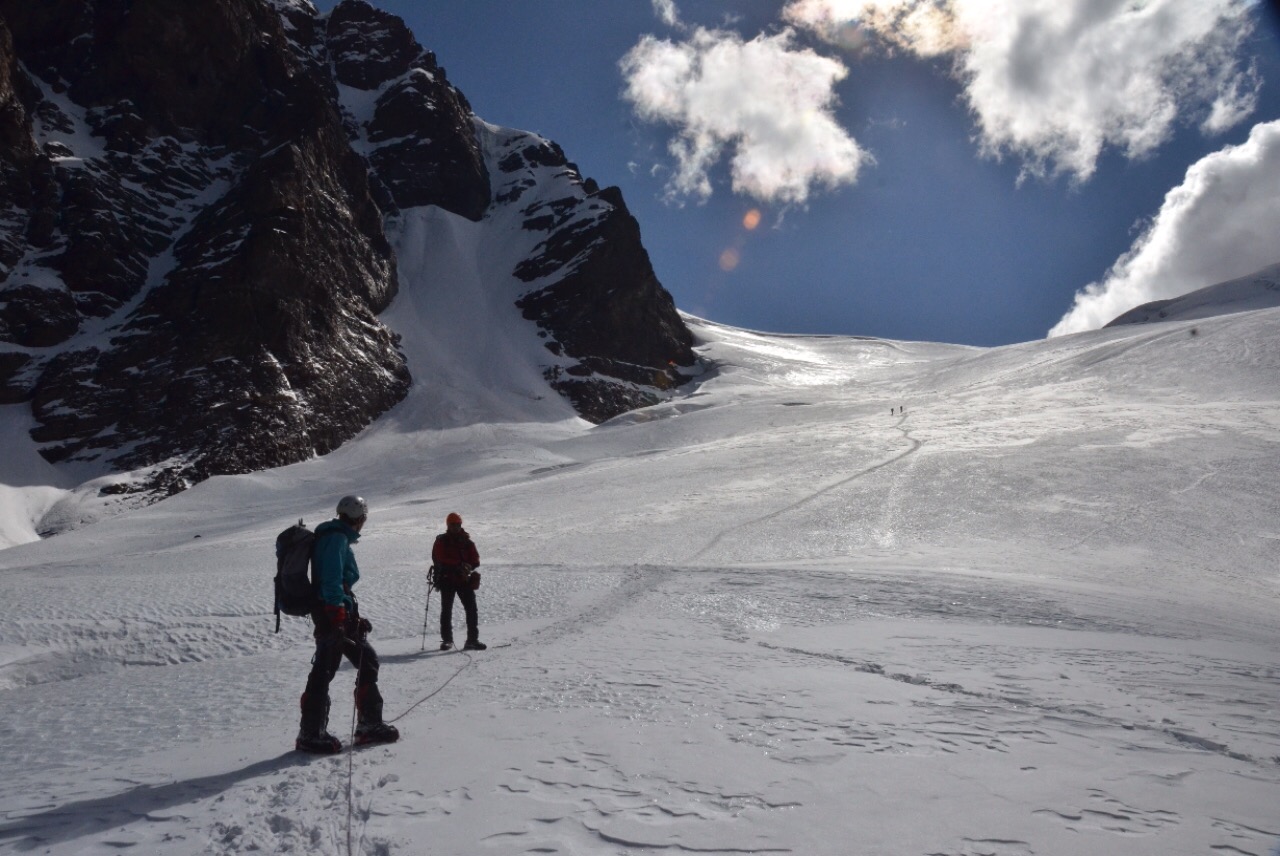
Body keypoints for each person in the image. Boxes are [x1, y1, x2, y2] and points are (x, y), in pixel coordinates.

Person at [296, 495, 399, 753]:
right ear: (359, 518)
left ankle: (360, 726)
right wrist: (338, 613)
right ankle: (313, 734)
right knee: (326, 668)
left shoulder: (332, 536)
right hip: (332, 613)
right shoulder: (336, 539)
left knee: (362, 660)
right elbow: (331, 579)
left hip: (334, 612)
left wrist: (348, 613)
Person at [432, 512, 485, 651]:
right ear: (448, 525)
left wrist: (468, 566)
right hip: (447, 579)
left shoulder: (467, 542)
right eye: (453, 524)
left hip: (463, 580)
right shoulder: (442, 541)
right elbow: (440, 557)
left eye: (457, 524)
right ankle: (447, 640)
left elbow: (475, 559)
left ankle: (472, 640)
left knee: (471, 609)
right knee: (447, 610)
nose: (455, 527)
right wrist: (459, 564)